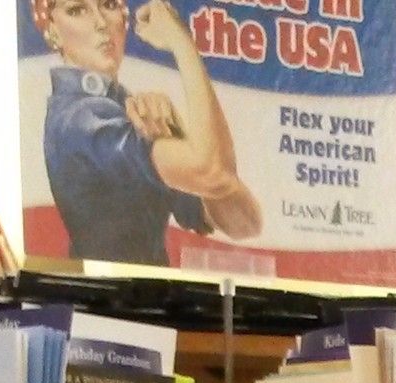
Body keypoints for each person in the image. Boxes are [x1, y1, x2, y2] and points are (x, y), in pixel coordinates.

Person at [33, 0, 262, 266]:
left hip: (155, 297)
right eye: (77, 10)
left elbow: (244, 224)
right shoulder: (81, 117)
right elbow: (215, 173)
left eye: (108, 5)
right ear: (52, 31)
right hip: (106, 300)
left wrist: (177, 137)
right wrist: (183, 44)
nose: (100, 23)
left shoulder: (121, 106)